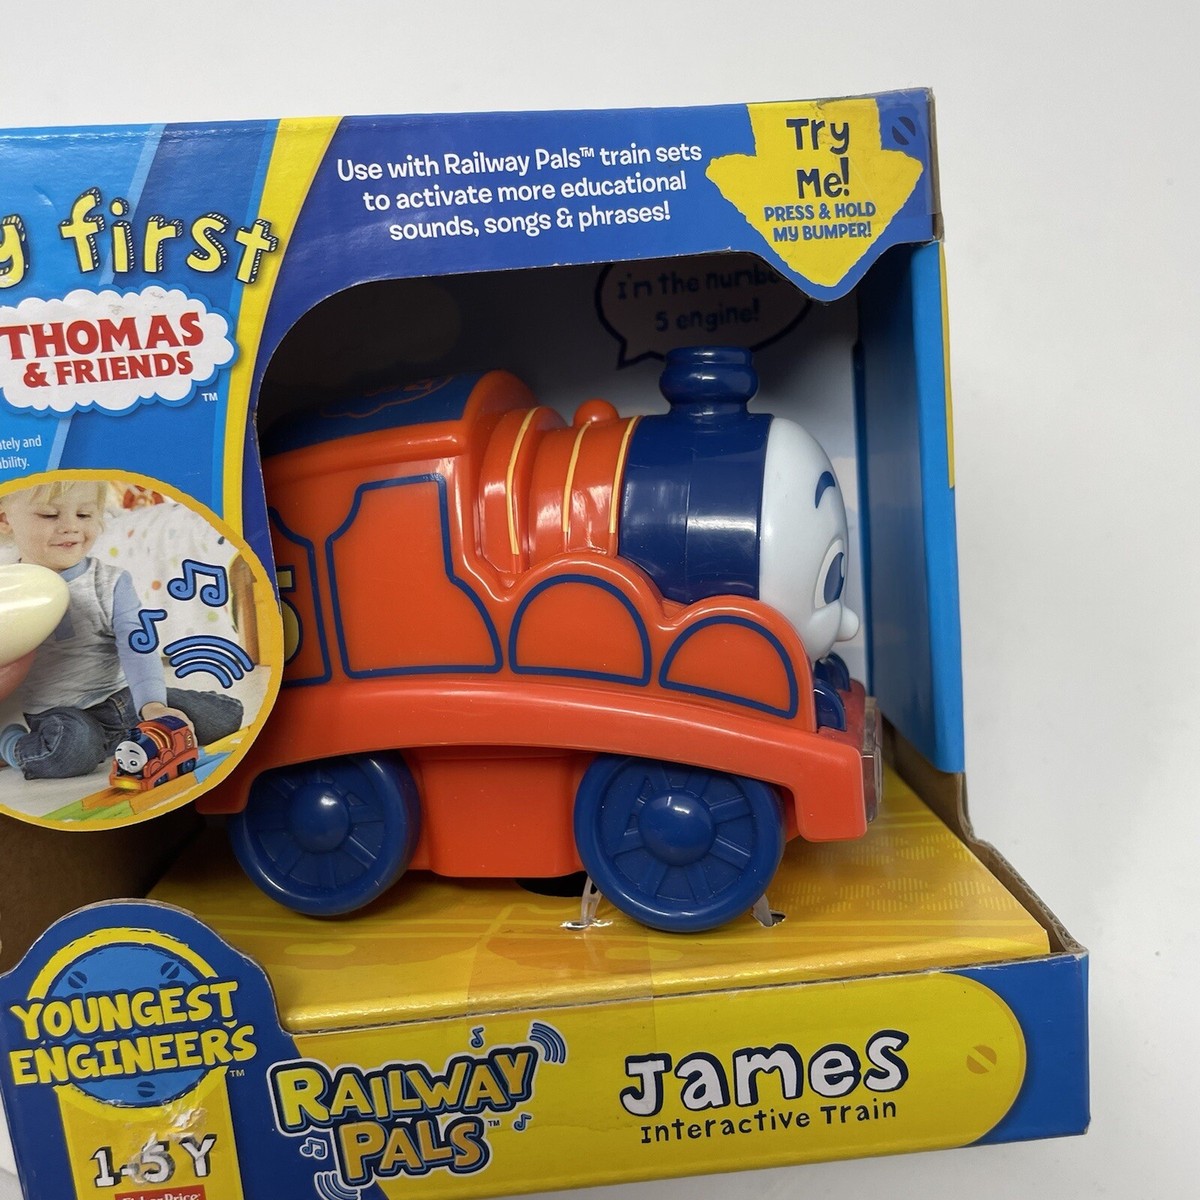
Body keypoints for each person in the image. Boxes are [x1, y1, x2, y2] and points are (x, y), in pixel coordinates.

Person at [0, 479, 242, 781]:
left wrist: (152, 705)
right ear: (5, 520)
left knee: (225, 718)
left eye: (85, 515)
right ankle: (11, 745)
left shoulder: (112, 582)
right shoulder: (10, 591)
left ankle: (125, 737)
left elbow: (137, 647)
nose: (71, 527)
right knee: (73, 749)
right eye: (50, 515)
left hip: (122, 700)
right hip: (61, 715)